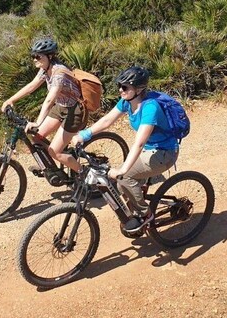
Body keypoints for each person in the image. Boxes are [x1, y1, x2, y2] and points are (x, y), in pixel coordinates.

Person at [72, 65, 180, 233]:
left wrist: (123, 169)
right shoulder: (127, 102)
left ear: (138, 89)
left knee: (125, 177)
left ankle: (146, 215)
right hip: (150, 150)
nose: (120, 90)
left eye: (125, 87)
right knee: (122, 184)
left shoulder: (150, 108)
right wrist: (84, 134)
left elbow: (139, 143)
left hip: (164, 152)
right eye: (119, 86)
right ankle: (136, 206)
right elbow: (107, 120)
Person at [0, 37, 86, 172]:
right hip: (61, 107)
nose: (35, 59)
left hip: (74, 110)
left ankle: (85, 174)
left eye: (38, 57)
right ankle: (51, 167)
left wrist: (38, 123)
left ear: (50, 56)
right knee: (36, 137)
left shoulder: (59, 72)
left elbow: (49, 100)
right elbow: (31, 86)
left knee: (55, 151)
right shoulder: (45, 69)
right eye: (33, 56)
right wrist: (10, 100)